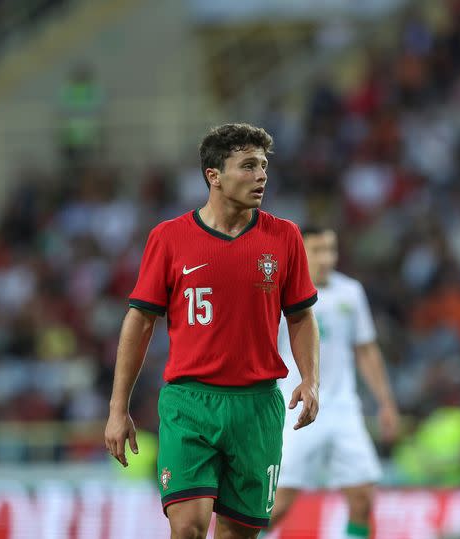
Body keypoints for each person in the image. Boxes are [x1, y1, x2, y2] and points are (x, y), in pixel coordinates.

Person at [105, 123, 321, 539]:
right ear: (214, 176)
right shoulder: (169, 238)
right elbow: (140, 321)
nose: (261, 176)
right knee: (187, 527)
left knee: (239, 534)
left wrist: (311, 380)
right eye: (248, 166)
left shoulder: (285, 237)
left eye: (263, 166)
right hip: (190, 403)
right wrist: (118, 408)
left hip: (257, 406)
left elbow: (301, 316)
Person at [270, 226, 400, 539]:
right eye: (316, 250)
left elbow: (366, 350)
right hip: (293, 409)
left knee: (362, 497)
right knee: (278, 503)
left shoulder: (350, 292)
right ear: (299, 253)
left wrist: (386, 402)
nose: (326, 258)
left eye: (330, 249)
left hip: (342, 408)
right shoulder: (279, 293)